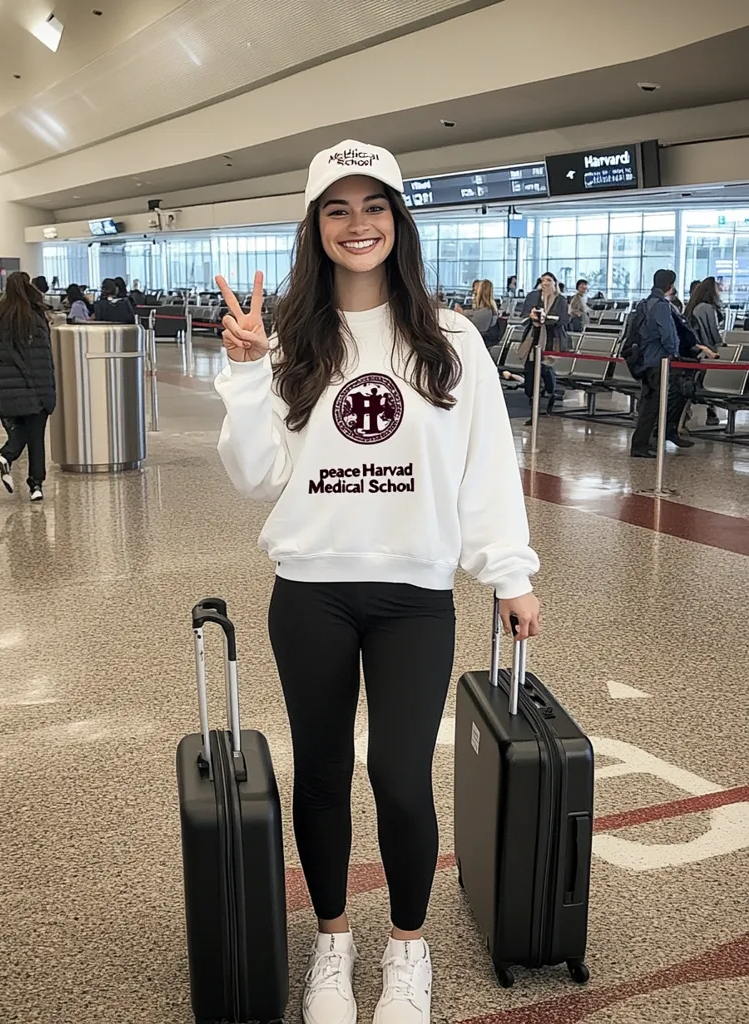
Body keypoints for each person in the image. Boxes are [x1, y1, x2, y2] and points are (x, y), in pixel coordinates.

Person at [213, 139, 540, 1024]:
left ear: (399, 221)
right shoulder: (287, 342)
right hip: (312, 587)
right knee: (320, 772)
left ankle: (406, 948)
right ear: (316, 228)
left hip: (415, 593)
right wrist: (247, 372)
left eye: (375, 207)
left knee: (400, 773)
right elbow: (253, 477)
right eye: (337, 209)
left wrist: (508, 571)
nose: (358, 225)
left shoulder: (452, 339)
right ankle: (332, 942)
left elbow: (487, 468)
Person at [0, 272, 55, 501]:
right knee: (35, 436)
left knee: (19, 429)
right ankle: (36, 486)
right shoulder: (36, 316)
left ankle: (7, 457)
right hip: (34, 385)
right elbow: (45, 358)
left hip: (6, 387)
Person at [629, 269, 693, 458]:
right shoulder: (661, 306)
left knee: (648, 401)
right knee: (653, 404)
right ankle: (640, 445)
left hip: (645, 359)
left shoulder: (645, 303)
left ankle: (642, 442)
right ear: (670, 286)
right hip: (658, 360)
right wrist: (674, 351)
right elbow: (668, 334)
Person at [520, 271, 569, 421]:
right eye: (543, 280)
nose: (545, 283)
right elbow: (524, 315)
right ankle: (531, 400)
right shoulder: (533, 296)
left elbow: (563, 319)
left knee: (546, 368)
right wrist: (533, 318)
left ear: (554, 283)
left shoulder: (560, 300)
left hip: (551, 339)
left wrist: (546, 320)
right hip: (533, 336)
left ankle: (549, 397)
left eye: (549, 280)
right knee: (530, 369)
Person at [684, 276, 724, 428]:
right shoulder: (707, 308)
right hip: (708, 352)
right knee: (707, 383)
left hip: (696, 352)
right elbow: (713, 333)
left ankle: (686, 412)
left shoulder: (693, 306)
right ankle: (711, 411)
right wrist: (723, 345)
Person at [455, 278, 498, 346]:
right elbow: (474, 313)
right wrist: (463, 312)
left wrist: (462, 313)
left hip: (477, 340)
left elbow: (472, 322)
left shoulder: (486, 311)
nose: (474, 291)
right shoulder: (486, 308)